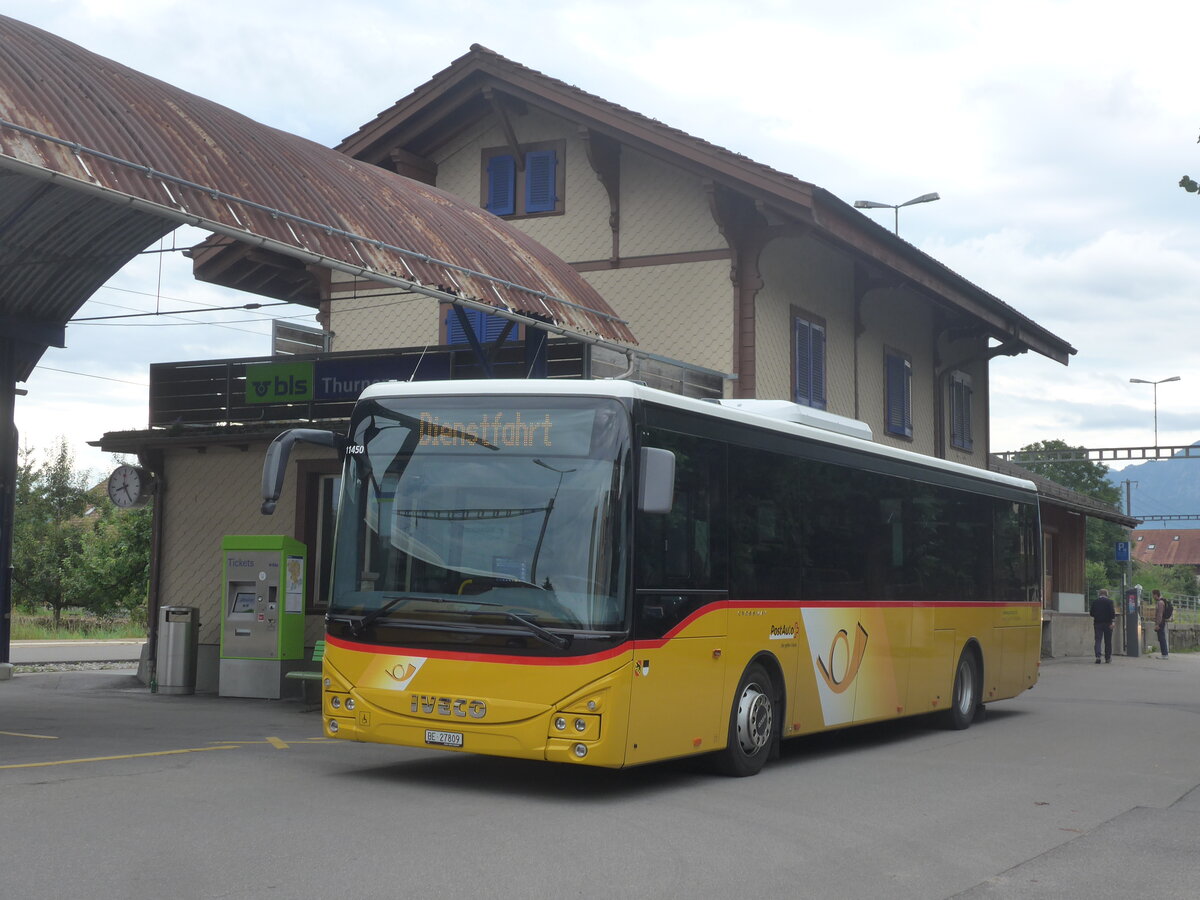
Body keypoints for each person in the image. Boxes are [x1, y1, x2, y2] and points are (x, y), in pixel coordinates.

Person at [1090, 588, 1115, 663]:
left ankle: (1098, 656)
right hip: (1108, 623)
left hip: (1097, 623)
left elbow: (1091, 613)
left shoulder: (1095, 602)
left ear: (1099, 594)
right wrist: (1112, 622)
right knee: (1108, 641)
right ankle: (1107, 658)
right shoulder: (1110, 602)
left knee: (1098, 640)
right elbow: (1112, 613)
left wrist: (1097, 615)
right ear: (1107, 594)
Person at [1152, 589, 1170, 659]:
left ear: (1156, 595)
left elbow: (1160, 614)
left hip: (1160, 622)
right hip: (1161, 622)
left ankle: (1165, 654)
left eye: (1153, 595)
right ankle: (1164, 654)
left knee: (1162, 638)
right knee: (1161, 638)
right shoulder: (1161, 602)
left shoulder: (1160, 603)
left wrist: (1157, 624)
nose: (1153, 597)